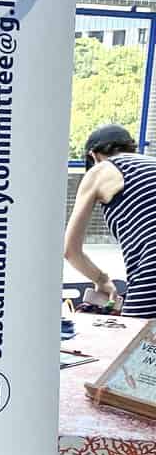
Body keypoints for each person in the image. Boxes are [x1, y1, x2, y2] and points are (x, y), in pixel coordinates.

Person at [65, 123, 156, 315]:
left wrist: (101, 279)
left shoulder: (100, 170)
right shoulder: (150, 164)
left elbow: (70, 250)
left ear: (94, 156)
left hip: (151, 274)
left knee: (138, 334)